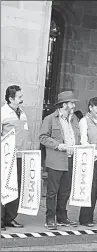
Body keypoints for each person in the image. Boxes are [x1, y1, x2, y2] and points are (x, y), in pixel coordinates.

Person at [39, 91, 81, 230]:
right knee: (52, 192)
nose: (74, 105)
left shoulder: (74, 119)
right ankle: (50, 218)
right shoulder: (50, 119)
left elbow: (78, 137)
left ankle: (62, 217)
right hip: (56, 160)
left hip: (70, 159)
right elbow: (43, 137)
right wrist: (58, 145)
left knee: (65, 191)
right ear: (64, 105)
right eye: (71, 103)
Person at [1, 85, 29, 231]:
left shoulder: (22, 113)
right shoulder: (3, 113)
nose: (22, 98)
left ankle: (10, 218)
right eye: (19, 96)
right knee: (3, 187)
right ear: (11, 98)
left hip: (20, 156)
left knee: (16, 188)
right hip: (6, 158)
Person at [77, 97, 97, 227]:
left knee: (95, 187)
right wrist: (95, 152)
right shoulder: (84, 121)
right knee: (88, 187)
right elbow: (83, 140)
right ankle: (84, 218)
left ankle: (90, 215)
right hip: (89, 157)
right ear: (90, 107)